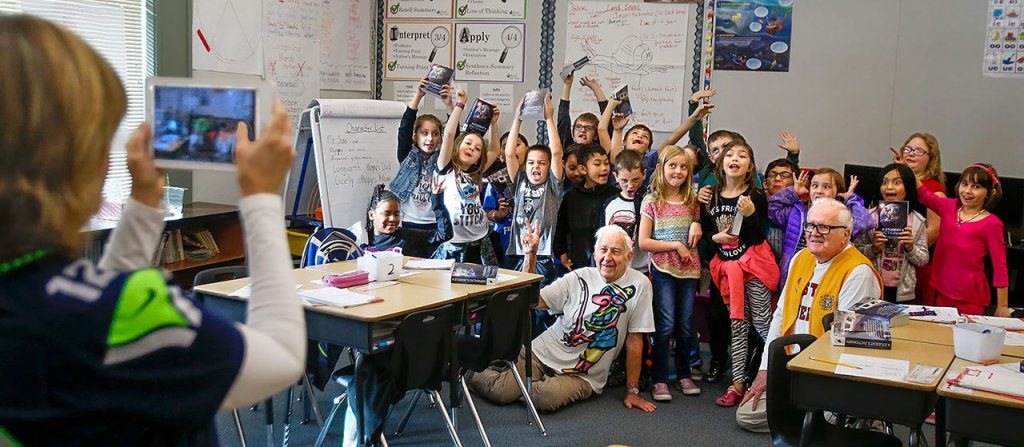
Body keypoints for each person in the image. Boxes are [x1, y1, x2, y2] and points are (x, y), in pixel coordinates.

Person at [0, 15, 304, 444]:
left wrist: (144, 202)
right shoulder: (123, 316)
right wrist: (261, 198)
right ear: (74, 161)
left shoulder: (55, 303)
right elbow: (281, 357)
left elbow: (101, 303)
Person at [470, 224, 657, 413]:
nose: (607, 258)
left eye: (616, 251)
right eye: (603, 250)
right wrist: (530, 255)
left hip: (583, 375)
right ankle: (468, 372)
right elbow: (531, 301)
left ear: (629, 257)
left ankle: (517, 381)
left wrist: (632, 391)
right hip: (544, 352)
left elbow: (634, 341)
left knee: (544, 399)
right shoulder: (579, 276)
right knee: (500, 392)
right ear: (594, 253)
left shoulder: (639, 285)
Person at [736, 198, 882, 432]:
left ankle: (847, 417)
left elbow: (846, 345)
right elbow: (780, 316)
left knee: (826, 423)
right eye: (811, 226)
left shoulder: (858, 272)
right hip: (793, 369)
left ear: (846, 234)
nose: (814, 233)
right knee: (747, 417)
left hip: (829, 376)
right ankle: (810, 418)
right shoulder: (800, 258)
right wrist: (765, 370)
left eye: (824, 227)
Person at [701, 140, 779, 407]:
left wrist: (752, 213)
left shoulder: (755, 195)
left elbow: (758, 235)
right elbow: (707, 233)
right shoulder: (711, 195)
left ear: (750, 167)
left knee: (763, 323)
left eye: (742, 155)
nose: (735, 158)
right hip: (728, 269)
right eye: (730, 154)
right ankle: (737, 384)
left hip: (754, 266)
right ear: (720, 163)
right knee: (737, 324)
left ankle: (774, 378)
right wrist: (715, 236)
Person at [638, 146, 704, 400]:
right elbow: (644, 242)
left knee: (686, 325)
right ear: (661, 168)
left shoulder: (692, 201)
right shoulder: (652, 201)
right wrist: (676, 245)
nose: (678, 171)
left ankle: (684, 374)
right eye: (672, 166)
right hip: (663, 269)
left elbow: (698, 225)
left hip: (689, 271)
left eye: (683, 167)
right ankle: (660, 379)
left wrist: (697, 221)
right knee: (665, 326)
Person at [916, 163, 1010, 316]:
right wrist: (908, 167)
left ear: (989, 193)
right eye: (965, 184)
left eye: (976, 186)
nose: (967, 191)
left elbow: (1000, 267)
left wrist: (1002, 306)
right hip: (941, 292)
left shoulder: (992, 224)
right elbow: (924, 194)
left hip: (970, 299)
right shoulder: (948, 207)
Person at [769, 167, 873, 289]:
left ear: (838, 191)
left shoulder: (842, 214)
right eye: (814, 185)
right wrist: (793, 192)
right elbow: (772, 209)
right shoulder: (797, 210)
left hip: (828, 269)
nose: (819, 191)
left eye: (826, 187)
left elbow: (863, 224)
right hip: (794, 269)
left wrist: (851, 199)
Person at [431, 86, 502, 264]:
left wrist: (494, 123)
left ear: (479, 159)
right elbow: (448, 134)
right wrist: (460, 104)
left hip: (480, 239)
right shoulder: (445, 168)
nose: (472, 148)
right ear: (457, 145)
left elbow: (494, 149)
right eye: (468, 143)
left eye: (477, 148)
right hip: (454, 242)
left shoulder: (476, 173)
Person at [389, 77, 452, 258]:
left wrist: (450, 106)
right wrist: (418, 96)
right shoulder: (407, 155)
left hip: (435, 226)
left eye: (435, 134)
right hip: (408, 225)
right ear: (415, 136)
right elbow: (405, 128)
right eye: (424, 133)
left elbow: (453, 136)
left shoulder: (443, 160)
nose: (430, 139)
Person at [505, 92, 564, 281]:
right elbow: (509, 154)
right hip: (517, 250)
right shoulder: (520, 181)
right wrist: (517, 119)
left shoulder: (553, 186)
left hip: (543, 253)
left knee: (538, 303)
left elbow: (556, 152)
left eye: (541, 163)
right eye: (531, 162)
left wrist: (549, 118)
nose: (535, 167)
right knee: (513, 300)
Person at [855, 164, 929, 303]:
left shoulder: (918, 221)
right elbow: (856, 252)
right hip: (871, 287)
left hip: (903, 293)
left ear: (908, 187)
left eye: (897, 182)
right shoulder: (868, 217)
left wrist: (910, 247)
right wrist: (874, 248)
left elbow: (923, 260)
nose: (889, 187)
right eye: (884, 182)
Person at [891, 133, 946, 305]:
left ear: (931, 158)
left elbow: (934, 230)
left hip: (917, 265)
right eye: (908, 149)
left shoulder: (934, 191)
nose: (911, 153)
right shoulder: (894, 185)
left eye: (918, 151)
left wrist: (909, 252)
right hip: (891, 262)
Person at [553, 144, 618, 270]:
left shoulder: (615, 195)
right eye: (597, 164)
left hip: (608, 264)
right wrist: (562, 253)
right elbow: (560, 229)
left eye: (606, 163)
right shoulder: (571, 197)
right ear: (583, 169)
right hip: (579, 263)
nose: (604, 168)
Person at [602, 150, 648, 272]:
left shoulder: (648, 201)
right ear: (616, 177)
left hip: (642, 268)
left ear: (644, 174)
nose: (630, 185)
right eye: (624, 180)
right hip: (615, 267)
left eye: (635, 180)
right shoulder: (609, 204)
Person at [557, 71, 609, 147]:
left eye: (588, 128)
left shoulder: (600, 152)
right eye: (578, 127)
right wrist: (567, 85)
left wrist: (596, 88)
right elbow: (563, 121)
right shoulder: (568, 149)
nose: (582, 130)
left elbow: (607, 122)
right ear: (573, 133)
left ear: (596, 135)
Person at [363, 185, 406, 252]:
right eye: (387, 214)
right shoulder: (362, 239)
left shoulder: (406, 238)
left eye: (396, 214)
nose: (392, 219)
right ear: (371, 215)